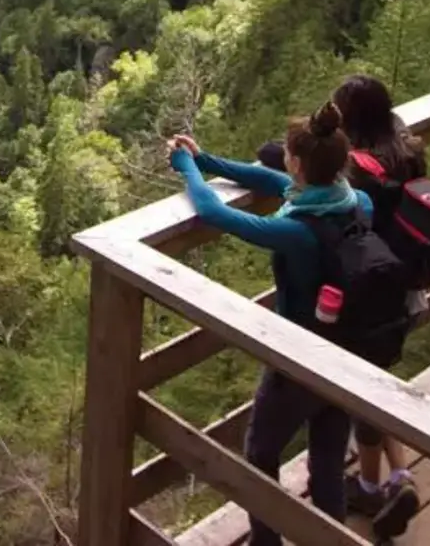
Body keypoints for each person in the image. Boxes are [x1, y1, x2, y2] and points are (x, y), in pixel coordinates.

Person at [169, 103, 395, 546]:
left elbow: (218, 215)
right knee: (328, 461)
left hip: (298, 362)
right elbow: (275, 183)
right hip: (346, 353)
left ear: (296, 161)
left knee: (260, 452)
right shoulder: (355, 202)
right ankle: (330, 536)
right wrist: (205, 158)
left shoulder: (296, 232)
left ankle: (266, 541)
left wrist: (185, 168)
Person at [328, 73, 429, 536]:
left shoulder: (357, 169)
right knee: (381, 380)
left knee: (364, 395)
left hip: (374, 294)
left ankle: (369, 488)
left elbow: (309, 169)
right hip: (409, 287)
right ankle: (401, 475)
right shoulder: (405, 143)